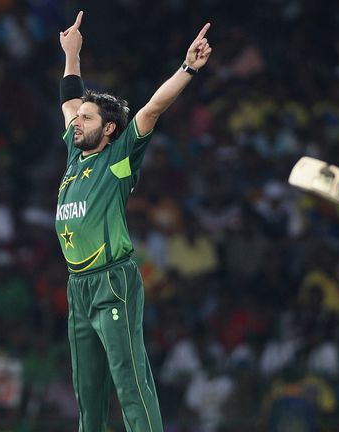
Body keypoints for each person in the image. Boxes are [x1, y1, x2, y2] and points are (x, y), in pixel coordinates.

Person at [56, 11, 212, 432]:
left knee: (129, 381)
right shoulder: (75, 154)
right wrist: (73, 53)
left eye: (86, 119)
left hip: (113, 282)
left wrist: (188, 68)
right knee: (87, 395)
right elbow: (70, 98)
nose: (76, 122)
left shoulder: (118, 157)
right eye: (77, 119)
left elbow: (154, 107)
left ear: (108, 128)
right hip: (79, 286)